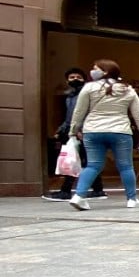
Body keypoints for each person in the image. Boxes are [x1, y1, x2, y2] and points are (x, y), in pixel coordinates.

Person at [67, 59, 139, 211]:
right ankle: (132, 199)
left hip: (92, 131)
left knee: (93, 165)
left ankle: (79, 196)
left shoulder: (89, 87)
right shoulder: (128, 89)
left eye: (95, 68)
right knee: (125, 166)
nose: (92, 71)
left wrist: (73, 130)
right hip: (120, 131)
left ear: (105, 71)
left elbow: (79, 111)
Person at [44, 67, 107, 201]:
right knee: (83, 160)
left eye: (78, 77)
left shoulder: (86, 94)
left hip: (84, 132)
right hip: (73, 132)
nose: (75, 79)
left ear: (84, 79)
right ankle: (98, 190)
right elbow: (70, 117)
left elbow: (88, 113)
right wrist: (61, 130)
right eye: (72, 77)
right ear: (67, 80)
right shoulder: (70, 96)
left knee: (76, 160)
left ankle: (66, 191)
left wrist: (81, 130)